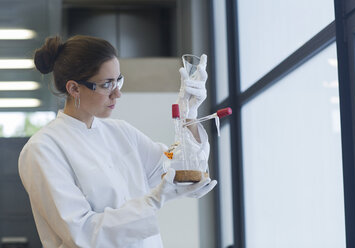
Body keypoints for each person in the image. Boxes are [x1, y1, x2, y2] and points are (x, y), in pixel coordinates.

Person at [18, 35, 217, 248]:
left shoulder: (121, 132)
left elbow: (183, 168)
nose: (118, 93)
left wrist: (189, 115)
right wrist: (154, 200)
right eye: (106, 85)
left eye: (118, 80)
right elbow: (82, 234)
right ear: (74, 88)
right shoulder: (43, 149)